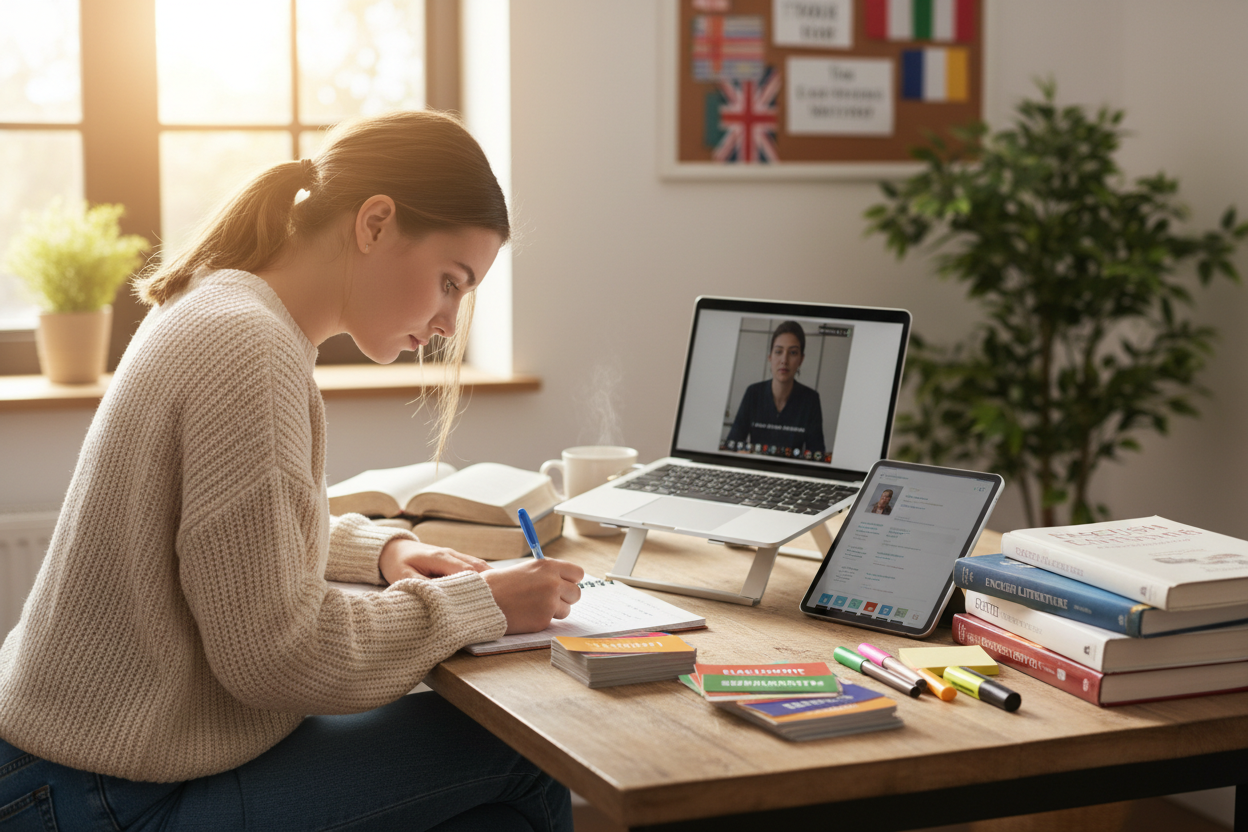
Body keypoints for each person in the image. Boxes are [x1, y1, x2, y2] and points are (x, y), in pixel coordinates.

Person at [0, 111, 581, 831]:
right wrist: (479, 604)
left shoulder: (222, 305)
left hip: (62, 770)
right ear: (374, 223)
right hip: (103, 797)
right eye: (450, 282)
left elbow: (228, 535)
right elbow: (278, 656)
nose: (446, 321)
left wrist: (384, 552)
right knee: (524, 757)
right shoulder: (249, 348)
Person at [725, 320, 825, 456]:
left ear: (801, 359)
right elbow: (732, 443)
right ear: (770, 357)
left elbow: (817, 454)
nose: (784, 360)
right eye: (778, 351)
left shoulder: (811, 399)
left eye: (793, 353)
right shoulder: (753, 393)